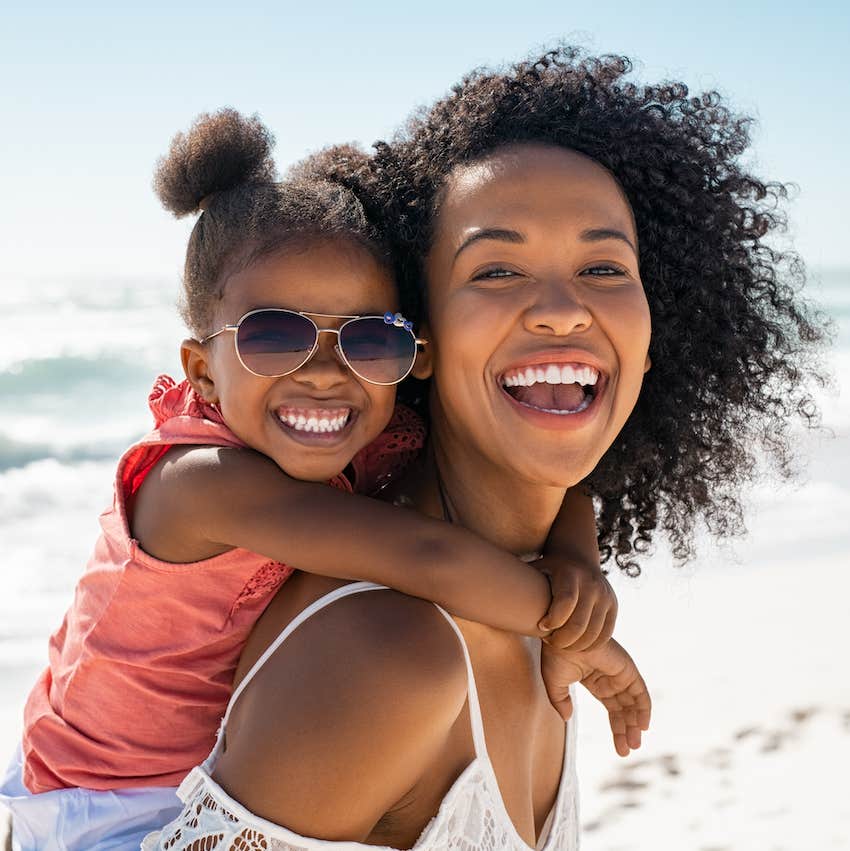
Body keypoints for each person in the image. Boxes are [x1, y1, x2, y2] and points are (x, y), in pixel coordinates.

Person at [145, 47, 825, 850]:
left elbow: (564, 501)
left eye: (604, 265)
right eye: (497, 268)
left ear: (651, 338)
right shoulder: (390, 655)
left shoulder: (544, 604)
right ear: (418, 343)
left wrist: (578, 565)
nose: (563, 309)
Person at [0, 108, 625, 851]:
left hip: (200, 774)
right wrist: (579, 628)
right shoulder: (200, 483)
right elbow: (425, 556)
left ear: (412, 353)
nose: (327, 371)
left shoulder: (365, 434)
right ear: (202, 368)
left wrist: (580, 553)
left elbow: (545, 474)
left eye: (368, 338)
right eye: (274, 335)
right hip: (99, 801)